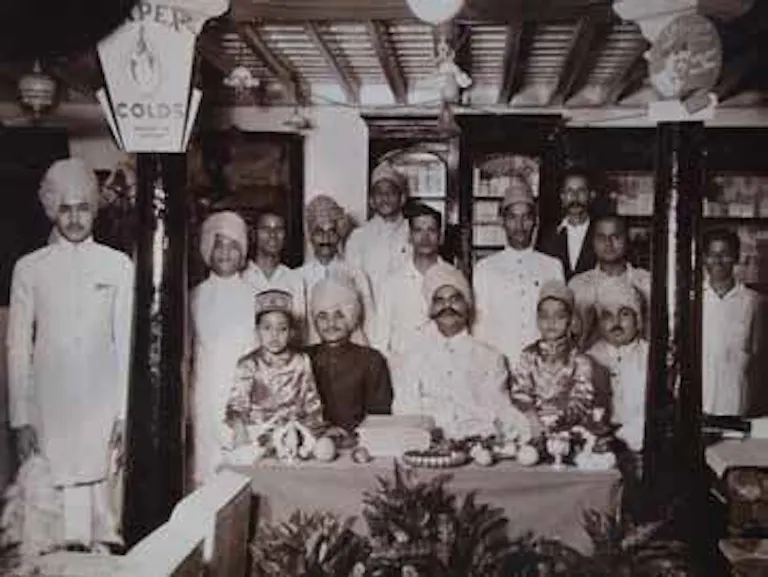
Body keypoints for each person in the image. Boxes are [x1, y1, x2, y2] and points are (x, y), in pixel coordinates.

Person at [6, 158, 134, 551]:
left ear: (94, 209)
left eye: (82, 208)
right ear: (51, 209)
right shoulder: (29, 268)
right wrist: (20, 418)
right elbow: (17, 347)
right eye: (65, 208)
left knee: (100, 521)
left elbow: (126, 343)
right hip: (49, 406)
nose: (75, 218)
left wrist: (124, 413)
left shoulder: (118, 265)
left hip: (101, 406)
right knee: (48, 522)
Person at [393, 263, 529, 441]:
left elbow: (501, 411)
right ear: (430, 310)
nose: (447, 306)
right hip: (427, 446)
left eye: (455, 299)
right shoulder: (413, 357)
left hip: (478, 445)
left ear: (467, 306)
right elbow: (405, 411)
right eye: (439, 300)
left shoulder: (490, 358)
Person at [190, 211, 255, 487]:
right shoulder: (194, 296)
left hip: (244, 398)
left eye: (233, 246)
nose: (226, 253)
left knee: (240, 473)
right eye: (219, 245)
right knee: (205, 472)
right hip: (204, 397)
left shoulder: (255, 295)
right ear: (208, 249)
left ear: (243, 252)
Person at [473, 175, 564, 367]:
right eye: (512, 218)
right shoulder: (485, 269)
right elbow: (479, 327)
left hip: (542, 368)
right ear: (501, 221)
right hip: (498, 366)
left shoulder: (552, 266)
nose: (520, 226)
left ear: (535, 221)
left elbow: (559, 322)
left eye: (526, 218)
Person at [225, 290, 325, 447]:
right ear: (257, 331)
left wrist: (311, 432)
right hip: (258, 435)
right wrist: (240, 427)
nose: (274, 335)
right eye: (267, 328)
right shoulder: (249, 363)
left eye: (282, 329)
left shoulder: (301, 360)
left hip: (294, 434)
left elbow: (312, 405)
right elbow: (237, 405)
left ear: (291, 333)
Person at [509, 281, 597, 440]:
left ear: (571, 320)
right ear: (537, 320)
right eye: (544, 316)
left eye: (559, 316)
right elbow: (520, 393)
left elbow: (582, 400)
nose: (551, 322)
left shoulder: (580, 360)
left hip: (568, 427)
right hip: (532, 424)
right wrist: (533, 420)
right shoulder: (528, 355)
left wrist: (560, 422)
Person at [307, 277, 393, 433]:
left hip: (361, 441)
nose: (331, 324)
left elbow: (379, 416)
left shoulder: (371, 360)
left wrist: (350, 436)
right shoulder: (303, 358)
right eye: (323, 316)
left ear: (352, 317)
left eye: (339, 315)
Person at [373, 202, 458, 358]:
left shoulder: (454, 278)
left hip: (444, 365)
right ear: (409, 236)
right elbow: (380, 340)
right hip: (401, 368)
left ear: (440, 236)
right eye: (418, 230)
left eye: (431, 230)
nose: (425, 238)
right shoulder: (391, 283)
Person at [298, 194, 375, 345]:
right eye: (319, 232)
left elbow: (370, 323)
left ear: (339, 235)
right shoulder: (298, 277)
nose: (325, 239)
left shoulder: (356, 274)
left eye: (331, 231)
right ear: (310, 236)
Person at [702, 228, 763, 416]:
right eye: (712, 254)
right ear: (704, 258)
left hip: (736, 405)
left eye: (724, 254)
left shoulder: (753, 301)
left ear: (736, 257)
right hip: (698, 404)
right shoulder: (692, 299)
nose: (718, 260)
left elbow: (757, 359)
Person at [568, 215, 651, 349]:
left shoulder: (646, 282)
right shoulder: (577, 285)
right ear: (593, 242)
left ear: (627, 239)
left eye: (615, 237)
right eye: (601, 238)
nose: (608, 243)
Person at [587, 283, 648, 461]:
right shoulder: (587, 360)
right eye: (607, 316)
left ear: (638, 320)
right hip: (596, 450)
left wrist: (622, 438)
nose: (616, 323)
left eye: (624, 314)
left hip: (642, 450)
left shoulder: (652, 358)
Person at [345, 162, 411, 305]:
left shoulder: (413, 233)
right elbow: (354, 282)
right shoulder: (358, 237)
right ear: (371, 201)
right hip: (369, 314)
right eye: (379, 193)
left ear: (402, 198)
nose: (384, 197)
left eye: (391, 192)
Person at [244, 210, 307, 342]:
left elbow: (299, 331)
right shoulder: (242, 277)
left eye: (279, 229)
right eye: (265, 229)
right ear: (254, 234)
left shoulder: (295, 279)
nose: (273, 235)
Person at [539, 167, 599, 280]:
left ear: (591, 195)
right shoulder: (548, 235)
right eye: (569, 191)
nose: (575, 197)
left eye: (581, 191)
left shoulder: (601, 233)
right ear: (562, 196)